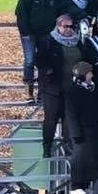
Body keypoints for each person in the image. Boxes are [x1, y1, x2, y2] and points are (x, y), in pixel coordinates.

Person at [35, 14, 84, 157]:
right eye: (65, 26)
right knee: (51, 117)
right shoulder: (48, 40)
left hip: (71, 86)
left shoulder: (77, 41)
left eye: (71, 26)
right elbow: (38, 60)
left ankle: (69, 148)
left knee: (69, 119)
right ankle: (47, 147)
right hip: (52, 87)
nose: (69, 29)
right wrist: (48, 70)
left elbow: (85, 58)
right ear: (58, 26)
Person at [15, 0, 57, 101]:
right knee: (30, 60)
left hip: (47, 33)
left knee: (44, 60)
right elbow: (20, 11)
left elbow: (61, 7)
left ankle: (42, 90)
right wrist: (25, 31)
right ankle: (29, 91)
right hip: (30, 33)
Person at [66, 61, 98, 192]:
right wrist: (76, 133)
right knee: (80, 159)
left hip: (93, 129)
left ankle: (88, 183)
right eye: (89, 73)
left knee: (92, 158)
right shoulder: (73, 91)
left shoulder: (91, 89)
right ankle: (76, 185)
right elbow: (71, 114)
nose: (92, 75)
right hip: (81, 130)